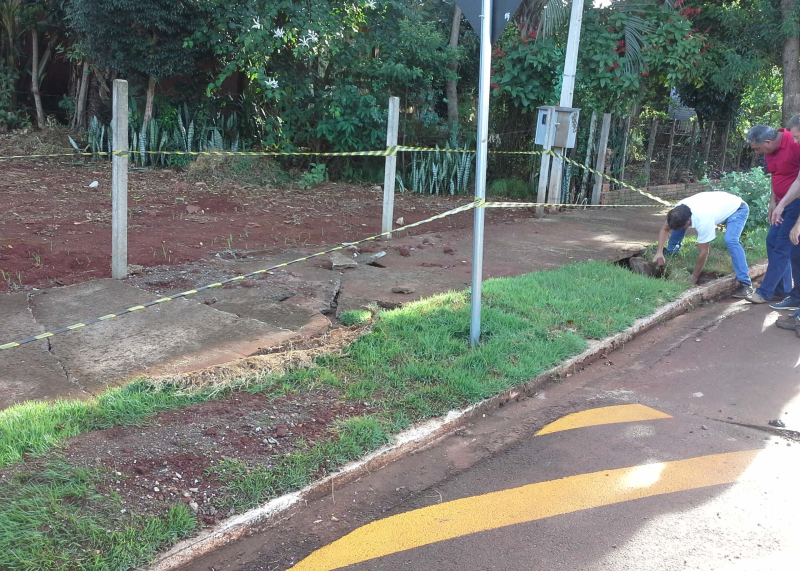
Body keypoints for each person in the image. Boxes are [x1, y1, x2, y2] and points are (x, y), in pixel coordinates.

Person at [653, 191, 752, 296]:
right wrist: (659, 252)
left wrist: (694, 276)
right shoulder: (677, 211)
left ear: (689, 220)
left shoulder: (704, 220)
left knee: (730, 240)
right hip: (717, 205)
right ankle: (670, 252)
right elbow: (665, 229)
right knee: (677, 227)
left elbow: (704, 252)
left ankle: (745, 283)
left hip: (737, 209)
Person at [744, 124, 800, 305]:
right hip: (780, 204)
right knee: (771, 241)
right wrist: (773, 202)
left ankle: (765, 292)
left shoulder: (794, 141)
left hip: (795, 203)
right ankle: (781, 289)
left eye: (757, 148)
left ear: (768, 142)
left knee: (782, 246)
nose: (757, 152)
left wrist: (784, 206)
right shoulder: (769, 151)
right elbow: (776, 176)